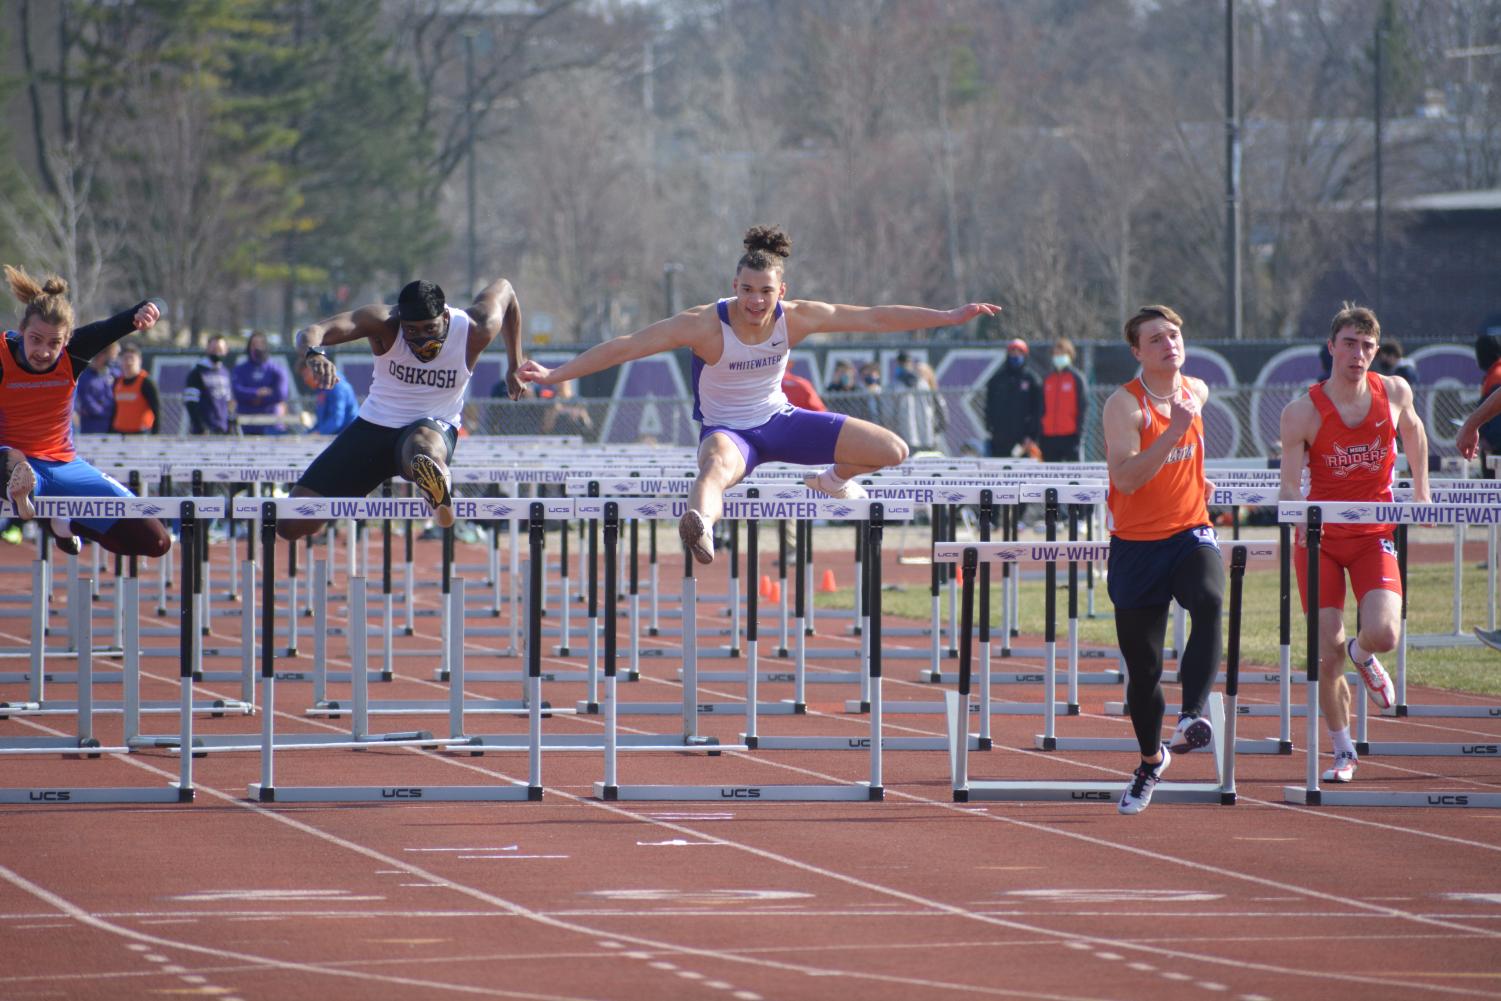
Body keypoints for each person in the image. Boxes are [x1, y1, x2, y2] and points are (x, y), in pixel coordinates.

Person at [516, 224, 999, 564]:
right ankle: (701, 527)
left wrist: (946, 317)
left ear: (780, 290)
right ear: (734, 286)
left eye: (765, 292)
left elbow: (875, 317)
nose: (755, 301)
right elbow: (627, 346)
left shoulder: (800, 316)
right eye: (747, 290)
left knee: (893, 450)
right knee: (715, 468)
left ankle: (830, 481)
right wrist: (556, 375)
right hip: (729, 431)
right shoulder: (703, 324)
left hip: (781, 422)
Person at [1279, 302, 1429, 786]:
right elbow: (1287, 486)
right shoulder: (1302, 410)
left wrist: (1421, 490)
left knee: (1384, 633)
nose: (1358, 354)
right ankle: (1343, 750)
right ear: (1331, 348)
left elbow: (1416, 433)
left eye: (1367, 346)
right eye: (1349, 344)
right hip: (1320, 539)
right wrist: (1294, 519)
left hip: (1372, 537)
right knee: (1326, 653)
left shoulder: (1396, 392)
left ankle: (1363, 656)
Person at [279, 277, 523, 540]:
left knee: (421, 446)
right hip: (375, 427)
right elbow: (311, 332)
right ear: (400, 320)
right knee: (290, 524)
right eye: (412, 331)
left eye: (430, 329)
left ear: (445, 317)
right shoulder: (383, 322)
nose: (421, 340)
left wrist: (515, 363)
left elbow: (506, 290)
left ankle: (438, 485)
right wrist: (314, 354)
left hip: (434, 425)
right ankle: (342, 503)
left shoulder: (475, 327)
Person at [1102, 305, 1224, 815]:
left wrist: (1198, 481)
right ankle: (1152, 760)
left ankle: (1192, 715)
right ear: (1137, 352)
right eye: (1155, 339)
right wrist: (1174, 432)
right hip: (1135, 546)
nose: (1168, 344)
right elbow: (1126, 479)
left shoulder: (1196, 390)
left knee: (1211, 598)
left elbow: (1189, 452)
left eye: (1174, 335)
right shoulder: (1123, 407)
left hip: (1189, 533)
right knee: (1144, 672)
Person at [0, 265, 171, 557]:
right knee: (12, 464)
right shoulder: (2, 355)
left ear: (66, 341)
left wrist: (152, 308)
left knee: (155, 542)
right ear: (22, 331)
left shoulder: (77, 350)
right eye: (35, 339)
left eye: (54, 343)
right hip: (11, 456)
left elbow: (126, 319)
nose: (42, 351)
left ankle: (63, 524)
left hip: (64, 465)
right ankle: (24, 493)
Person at [984, 337, 1041, 459]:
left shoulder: (1031, 380)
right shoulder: (997, 380)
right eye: (1013, 352)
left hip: (1023, 440)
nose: (1016, 355)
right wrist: (991, 428)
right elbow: (989, 406)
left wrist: (1032, 436)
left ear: (1025, 355)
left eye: (1019, 352)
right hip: (1000, 439)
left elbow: (1037, 410)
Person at [231, 330, 290, 434]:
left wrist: (257, 399)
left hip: (272, 426)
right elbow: (237, 392)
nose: (257, 347)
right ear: (249, 347)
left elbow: (281, 394)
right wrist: (257, 393)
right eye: (254, 344)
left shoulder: (276, 370)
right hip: (246, 426)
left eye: (261, 344)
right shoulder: (239, 370)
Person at [1040, 337, 1088, 462]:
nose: (1058, 356)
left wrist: (1079, 434)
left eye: (1062, 354)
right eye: (1056, 354)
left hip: (1070, 436)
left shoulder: (1076, 378)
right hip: (1049, 436)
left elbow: (1084, 407)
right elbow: (1041, 408)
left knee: (1074, 477)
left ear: (1070, 355)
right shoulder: (1048, 379)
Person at [297, 355, 359, 435]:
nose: (305, 380)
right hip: (333, 436)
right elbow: (321, 423)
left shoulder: (337, 385)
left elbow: (336, 420)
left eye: (305, 374)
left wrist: (318, 433)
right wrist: (308, 434)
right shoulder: (321, 388)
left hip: (349, 436)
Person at [184, 335, 234, 434]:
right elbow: (190, 402)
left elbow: (228, 402)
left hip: (222, 430)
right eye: (213, 349)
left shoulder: (225, 373)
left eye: (220, 349)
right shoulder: (197, 373)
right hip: (204, 432)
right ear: (207, 350)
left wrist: (230, 425)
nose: (217, 352)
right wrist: (201, 427)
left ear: (226, 350)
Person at [109, 341, 160, 434]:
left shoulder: (146, 382)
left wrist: (155, 434)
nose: (129, 362)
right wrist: (110, 430)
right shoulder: (117, 382)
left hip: (141, 433)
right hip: (119, 432)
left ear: (139, 361)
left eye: (132, 358)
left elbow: (156, 409)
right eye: (125, 358)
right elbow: (115, 409)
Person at [1472, 332, 1501, 479]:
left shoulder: (1497, 376)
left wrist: (1490, 441)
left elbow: (1498, 416)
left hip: (1496, 449)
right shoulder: (1493, 374)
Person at [74, 341, 119, 434]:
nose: (113, 360)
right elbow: (86, 400)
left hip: (113, 425)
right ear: (102, 355)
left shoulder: (113, 373)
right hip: (93, 425)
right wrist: (104, 414)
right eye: (111, 357)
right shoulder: (85, 377)